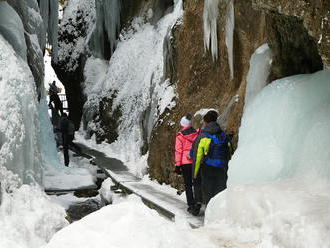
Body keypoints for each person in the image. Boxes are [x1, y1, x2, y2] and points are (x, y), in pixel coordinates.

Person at [192, 110, 232, 205]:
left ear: (206, 122)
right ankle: (220, 214)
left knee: (208, 192)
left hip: (208, 168)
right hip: (222, 167)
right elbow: (229, 151)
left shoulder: (204, 136)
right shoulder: (223, 135)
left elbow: (197, 156)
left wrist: (195, 173)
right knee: (220, 192)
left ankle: (210, 215)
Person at [174, 114, 199, 214]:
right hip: (195, 161)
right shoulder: (196, 133)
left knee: (188, 184)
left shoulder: (180, 136)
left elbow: (178, 151)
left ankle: (191, 205)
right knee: (197, 183)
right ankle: (198, 202)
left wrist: (177, 165)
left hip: (185, 163)